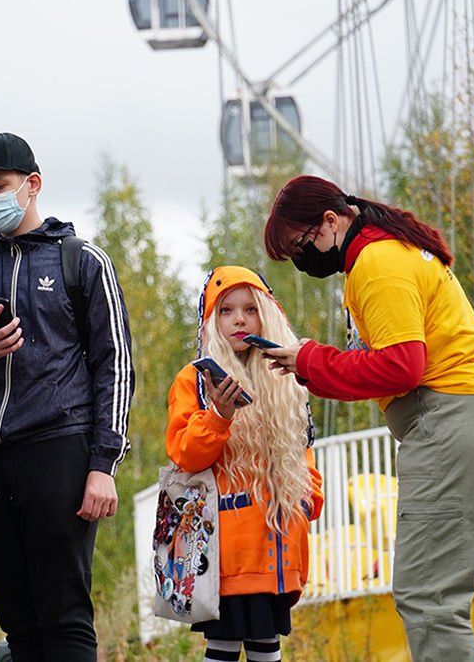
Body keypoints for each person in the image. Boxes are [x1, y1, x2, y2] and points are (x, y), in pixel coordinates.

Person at [262, 175, 474, 661]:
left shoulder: (376, 262)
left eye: (301, 245)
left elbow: (402, 365)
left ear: (332, 221)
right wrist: (311, 366)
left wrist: (311, 361)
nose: (303, 260)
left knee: (429, 597)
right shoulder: (390, 251)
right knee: (435, 593)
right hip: (472, 413)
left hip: (451, 417)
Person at [0, 131, 134, 661]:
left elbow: (115, 365)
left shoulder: (83, 261)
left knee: (65, 616)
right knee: (17, 623)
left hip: (60, 450)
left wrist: (103, 465)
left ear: (32, 185)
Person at [165, 265, 323, 662]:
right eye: (226, 310)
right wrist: (218, 414)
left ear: (266, 314)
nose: (239, 319)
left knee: (266, 644)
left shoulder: (284, 375)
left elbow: (302, 449)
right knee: (222, 646)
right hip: (223, 551)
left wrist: (308, 499)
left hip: (277, 546)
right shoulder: (195, 381)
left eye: (250, 309)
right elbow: (185, 454)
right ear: (209, 320)